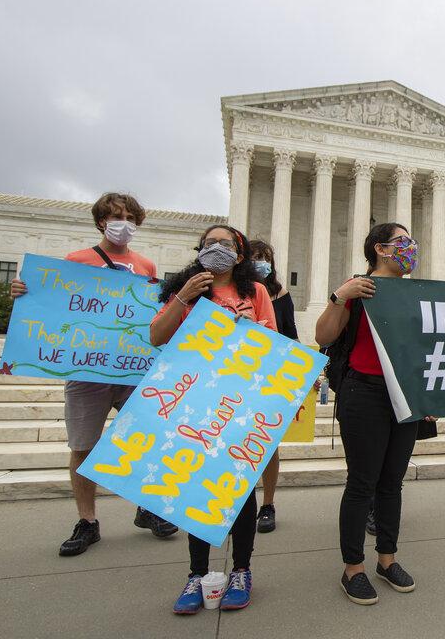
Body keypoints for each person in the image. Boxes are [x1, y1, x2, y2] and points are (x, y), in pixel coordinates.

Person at [9, 192, 178, 556]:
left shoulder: (146, 266)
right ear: (101, 221)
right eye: (117, 216)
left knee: (146, 441)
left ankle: (147, 507)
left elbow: (151, 316)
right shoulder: (77, 260)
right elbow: (53, 303)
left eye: (131, 217)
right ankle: (88, 521)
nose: (124, 224)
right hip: (86, 372)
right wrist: (24, 292)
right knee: (83, 447)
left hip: (132, 371)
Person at [151, 224, 275, 613]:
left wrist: (252, 330)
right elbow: (157, 336)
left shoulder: (254, 292)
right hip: (195, 400)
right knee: (195, 487)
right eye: (209, 244)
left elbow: (274, 344)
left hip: (239, 401)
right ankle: (196, 574)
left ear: (239, 255)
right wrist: (183, 299)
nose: (216, 248)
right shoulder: (184, 290)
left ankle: (241, 569)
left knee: (238, 490)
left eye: (225, 243)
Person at [316, 222, 435, 605]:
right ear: (380, 249)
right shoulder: (358, 288)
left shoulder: (416, 294)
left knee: (392, 483)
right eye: (402, 241)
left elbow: (424, 349)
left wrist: (429, 397)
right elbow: (324, 337)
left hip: (405, 396)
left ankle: (387, 559)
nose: (410, 247)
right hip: (363, 392)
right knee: (362, 483)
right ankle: (353, 568)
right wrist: (339, 297)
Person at [247, 240, 300, 534]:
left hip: (268, 377)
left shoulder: (280, 294)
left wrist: (304, 373)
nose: (260, 261)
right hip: (234, 377)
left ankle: (267, 504)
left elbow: (291, 335)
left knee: (267, 445)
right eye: (255, 257)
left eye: (265, 257)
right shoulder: (230, 292)